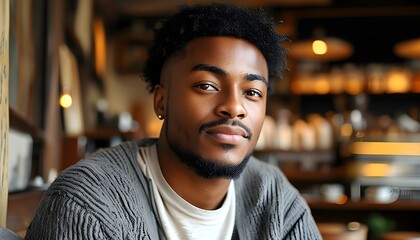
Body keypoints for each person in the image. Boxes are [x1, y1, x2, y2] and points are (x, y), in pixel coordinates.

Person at [24, 3, 321, 239]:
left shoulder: (274, 197)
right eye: (207, 86)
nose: (234, 107)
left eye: (253, 92)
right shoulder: (87, 205)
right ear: (161, 101)